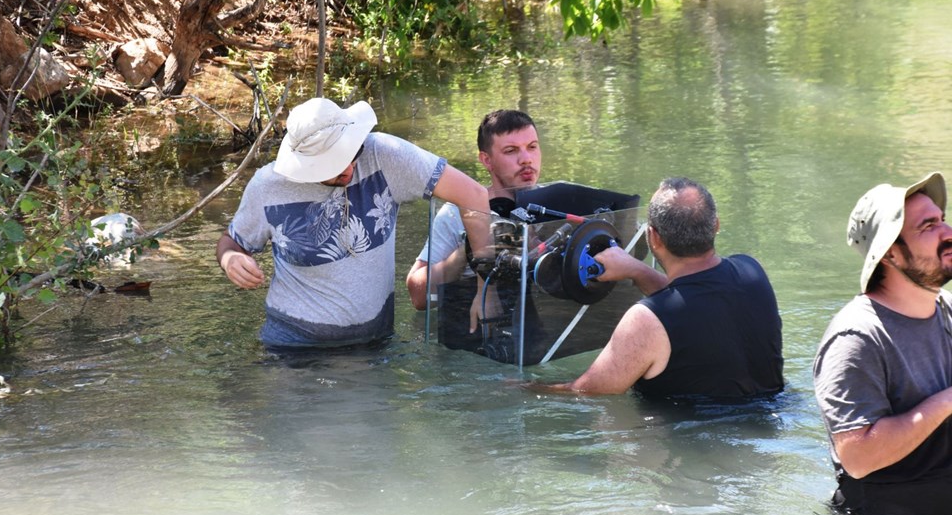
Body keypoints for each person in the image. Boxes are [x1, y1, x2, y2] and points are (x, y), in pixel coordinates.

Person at [216, 97, 491, 350]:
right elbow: (232, 243)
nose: (348, 167)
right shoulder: (268, 186)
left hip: (375, 341)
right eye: (333, 166)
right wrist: (230, 259)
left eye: (352, 153)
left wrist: (486, 288)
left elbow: (473, 196)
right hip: (292, 344)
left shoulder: (385, 155)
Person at [533, 176, 784, 398]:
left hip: (690, 444)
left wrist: (524, 387)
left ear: (652, 237)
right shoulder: (752, 272)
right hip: (773, 416)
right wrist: (636, 269)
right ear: (716, 225)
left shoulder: (645, 320)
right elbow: (697, 303)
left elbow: (587, 390)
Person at [813, 172, 952, 515]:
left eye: (943, 220)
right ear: (890, 253)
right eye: (928, 226)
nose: (948, 233)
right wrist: (946, 402)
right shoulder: (857, 339)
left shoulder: (947, 310)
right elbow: (857, 460)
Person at [405, 109, 541, 311]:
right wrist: (469, 251)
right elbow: (418, 298)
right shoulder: (456, 214)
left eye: (532, 147)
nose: (526, 159)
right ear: (486, 160)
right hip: (474, 326)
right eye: (511, 151)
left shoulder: (559, 205)